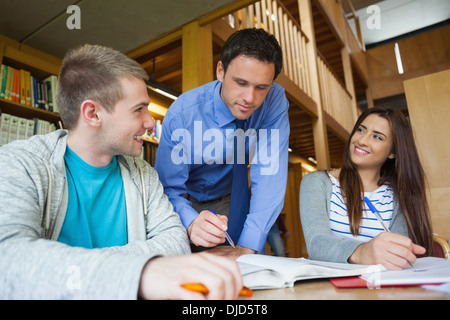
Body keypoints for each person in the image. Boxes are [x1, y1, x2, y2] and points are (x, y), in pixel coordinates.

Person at [0, 44, 242, 300]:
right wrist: (142, 272)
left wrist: (66, 263)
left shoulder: (143, 174)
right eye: (139, 109)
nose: (150, 122)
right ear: (92, 113)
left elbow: (175, 242)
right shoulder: (20, 164)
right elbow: (9, 261)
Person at [155, 28, 290, 259]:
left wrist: (247, 248)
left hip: (230, 199)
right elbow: (168, 188)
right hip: (183, 201)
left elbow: (269, 174)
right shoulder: (183, 114)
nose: (250, 98)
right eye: (241, 82)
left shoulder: (274, 100)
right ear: (220, 71)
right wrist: (189, 222)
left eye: (261, 87)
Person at [300, 106, 433, 270]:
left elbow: (397, 255)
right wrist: (362, 251)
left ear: (393, 152)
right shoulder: (317, 182)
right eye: (361, 130)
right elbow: (316, 243)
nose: (362, 140)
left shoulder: (398, 196)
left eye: (377, 137)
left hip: (380, 288)